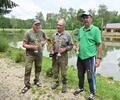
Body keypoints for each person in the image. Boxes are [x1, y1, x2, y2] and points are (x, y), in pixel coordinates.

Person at [73, 13, 102, 100]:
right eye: (83, 18)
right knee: (80, 75)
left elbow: (99, 44)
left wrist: (99, 58)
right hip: (80, 57)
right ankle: (80, 88)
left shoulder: (96, 30)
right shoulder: (81, 29)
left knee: (90, 76)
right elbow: (79, 41)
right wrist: (76, 46)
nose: (85, 19)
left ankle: (92, 93)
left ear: (91, 19)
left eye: (87, 17)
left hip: (90, 58)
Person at [21, 19, 47, 93]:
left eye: (39, 24)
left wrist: (42, 43)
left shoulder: (42, 32)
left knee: (38, 68)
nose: (38, 26)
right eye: (36, 24)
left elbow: (46, 39)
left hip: (39, 54)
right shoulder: (28, 33)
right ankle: (27, 85)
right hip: (30, 55)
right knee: (28, 69)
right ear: (32, 24)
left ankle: (36, 81)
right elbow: (24, 44)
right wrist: (32, 47)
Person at [50, 19, 73, 93]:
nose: (58, 26)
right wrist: (51, 50)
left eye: (59, 25)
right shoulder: (54, 35)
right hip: (55, 56)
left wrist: (65, 49)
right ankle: (56, 82)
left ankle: (64, 84)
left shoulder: (68, 35)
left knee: (63, 72)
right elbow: (52, 44)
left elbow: (71, 45)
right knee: (55, 70)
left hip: (63, 56)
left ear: (63, 26)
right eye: (57, 25)